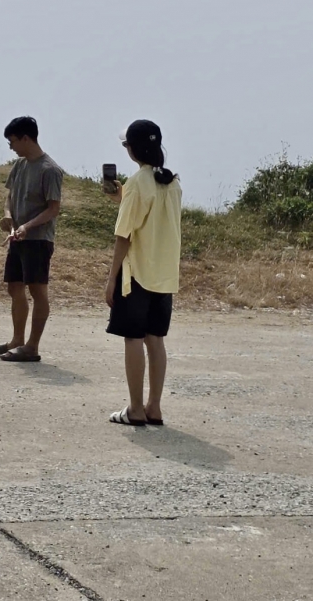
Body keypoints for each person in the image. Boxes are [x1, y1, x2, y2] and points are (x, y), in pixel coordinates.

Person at [103, 119, 182, 426]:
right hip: (164, 275)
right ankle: (154, 407)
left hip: (136, 275)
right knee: (156, 340)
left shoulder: (138, 182)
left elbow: (125, 235)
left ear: (133, 149)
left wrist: (111, 279)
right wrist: (122, 199)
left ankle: (135, 408)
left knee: (133, 338)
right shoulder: (172, 182)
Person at [0, 116, 63, 363]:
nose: (10, 146)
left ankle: (32, 346)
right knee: (14, 287)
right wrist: (8, 217)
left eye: (12, 141)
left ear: (26, 138)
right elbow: (9, 197)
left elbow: (53, 208)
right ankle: (16, 340)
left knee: (38, 291)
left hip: (39, 240)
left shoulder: (49, 170)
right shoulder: (19, 166)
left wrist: (28, 227)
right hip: (17, 239)